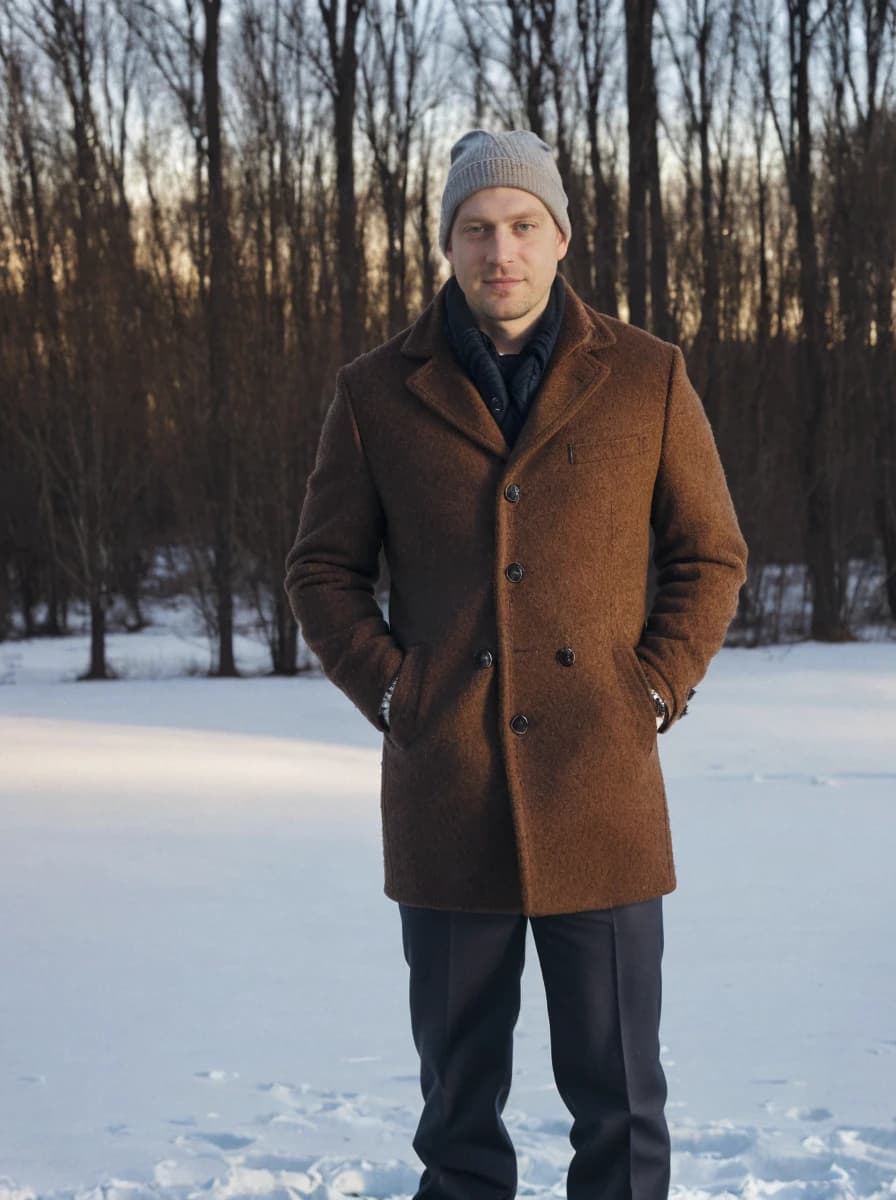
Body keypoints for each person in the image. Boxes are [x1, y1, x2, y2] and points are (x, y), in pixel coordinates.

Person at [284, 129, 748, 1200]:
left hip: (603, 789)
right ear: (446, 243)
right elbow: (320, 571)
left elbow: (709, 554)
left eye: (521, 225)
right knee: (455, 1112)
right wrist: (397, 691)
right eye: (476, 227)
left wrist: (652, 686)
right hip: (447, 790)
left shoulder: (645, 377)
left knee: (621, 1102)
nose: (501, 249)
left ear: (560, 237)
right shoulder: (374, 392)